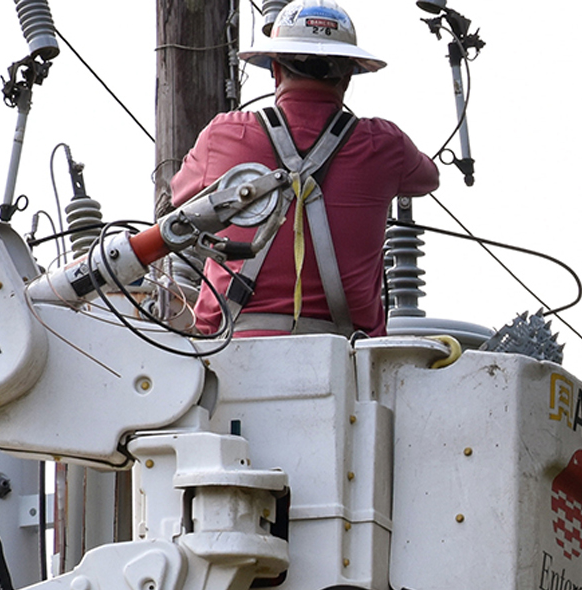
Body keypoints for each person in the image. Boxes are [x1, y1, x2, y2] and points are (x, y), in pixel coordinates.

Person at [170, 1, 440, 338]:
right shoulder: (384, 145)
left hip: (227, 349)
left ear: (276, 71)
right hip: (348, 357)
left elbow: (178, 195)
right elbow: (429, 178)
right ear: (346, 76)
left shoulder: (224, 134)